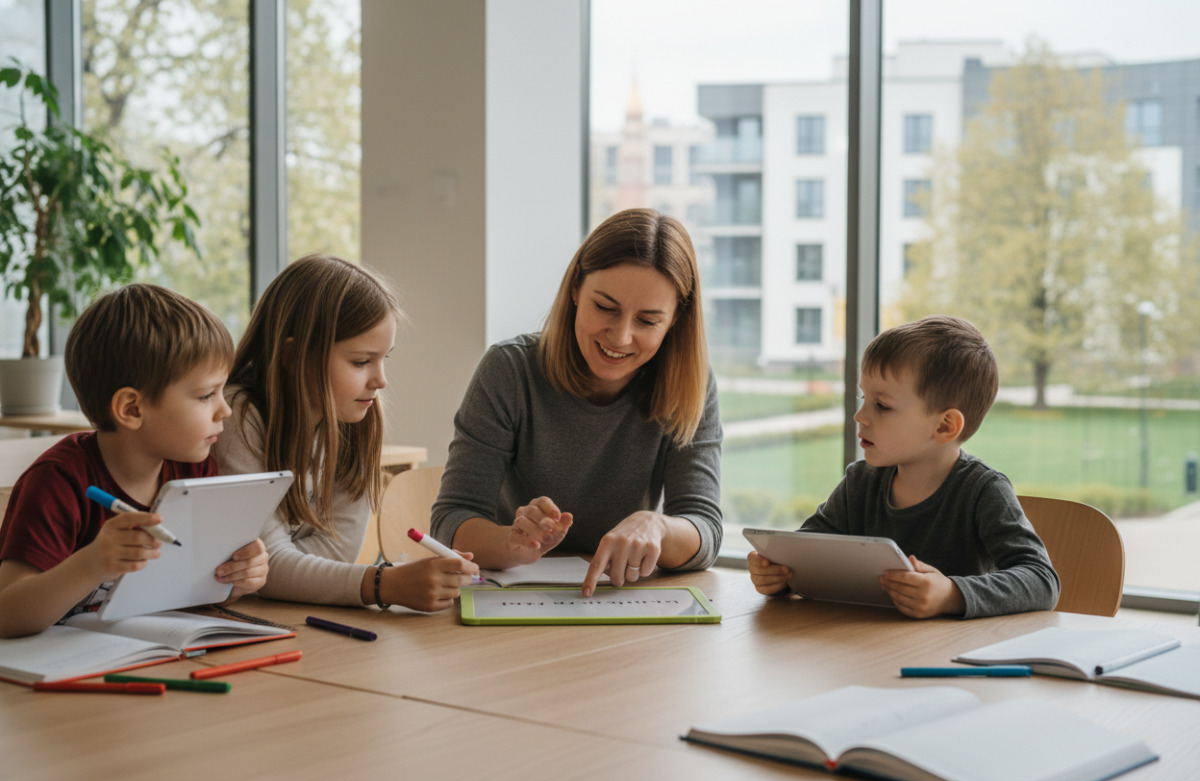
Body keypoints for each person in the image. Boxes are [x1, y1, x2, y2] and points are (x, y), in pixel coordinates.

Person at [431, 208, 723, 596]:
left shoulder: (688, 386)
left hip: (620, 598)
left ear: (675, 321)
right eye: (605, 307)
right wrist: (512, 544)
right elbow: (451, 519)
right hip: (511, 596)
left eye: (647, 321)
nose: (620, 337)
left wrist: (658, 526)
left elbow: (705, 529)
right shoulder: (510, 371)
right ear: (574, 290)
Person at [214, 253, 478, 613]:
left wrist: (296, 574)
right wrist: (384, 583)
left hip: (286, 613)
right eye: (361, 362)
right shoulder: (236, 418)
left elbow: (335, 551)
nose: (380, 380)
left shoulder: (354, 422)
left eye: (384, 358)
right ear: (293, 357)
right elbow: (268, 567)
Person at [748, 315, 1060, 619]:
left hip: (952, 649)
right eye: (864, 398)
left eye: (882, 406)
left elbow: (1042, 580)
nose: (860, 416)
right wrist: (779, 575)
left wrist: (951, 594)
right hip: (865, 642)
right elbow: (807, 552)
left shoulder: (983, 490)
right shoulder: (860, 483)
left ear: (944, 426)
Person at [0, 284, 267, 638]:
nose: (226, 410)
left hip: (152, 655)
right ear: (132, 409)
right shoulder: (57, 482)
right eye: (206, 395)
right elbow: (7, 614)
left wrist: (236, 580)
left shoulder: (195, 471)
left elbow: (190, 592)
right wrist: (92, 565)